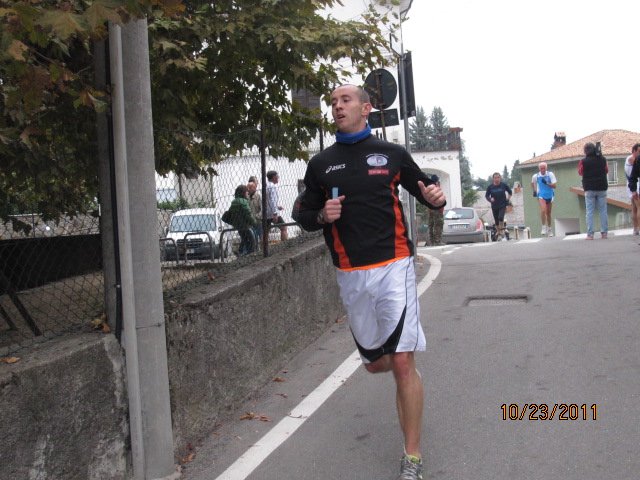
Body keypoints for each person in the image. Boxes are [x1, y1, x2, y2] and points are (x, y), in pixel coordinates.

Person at [293, 84, 446, 480]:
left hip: (395, 265)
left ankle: (412, 457)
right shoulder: (321, 164)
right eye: (333, 102)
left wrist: (435, 198)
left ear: (366, 108)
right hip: (351, 273)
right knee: (376, 364)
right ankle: (392, 364)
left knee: (402, 361)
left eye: (345, 100)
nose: (337, 106)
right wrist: (322, 215)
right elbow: (302, 214)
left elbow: (426, 190)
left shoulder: (392, 154)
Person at [578, 142, 608, 240]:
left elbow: (580, 172)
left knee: (590, 212)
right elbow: (606, 170)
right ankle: (604, 233)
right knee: (603, 210)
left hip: (589, 188)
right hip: (602, 187)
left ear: (585, 151)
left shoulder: (583, 161)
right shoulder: (603, 159)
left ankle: (590, 234)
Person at [226, 184, 256, 255]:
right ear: (243, 193)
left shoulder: (234, 202)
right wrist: (254, 222)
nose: (248, 193)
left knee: (245, 240)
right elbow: (248, 214)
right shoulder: (243, 202)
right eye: (246, 192)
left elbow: (230, 213)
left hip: (238, 226)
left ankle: (241, 252)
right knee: (252, 242)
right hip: (246, 225)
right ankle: (248, 254)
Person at [530, 162, 557, 236]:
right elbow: (532, 183)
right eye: (541, 168)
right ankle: (543, 227)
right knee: (543, 210)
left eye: (544, 168)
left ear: (546, 168)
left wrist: (547, 183)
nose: (542, 170)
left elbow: (555, 186)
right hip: (541, 195)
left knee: (548, 213)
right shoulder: (536, 176)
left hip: (550, 195)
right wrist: (535, 191)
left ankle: (550, 229)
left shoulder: (550, 174)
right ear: (539, 169)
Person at [485, 172, 512, 240]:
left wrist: (508, 199)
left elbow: (510, 192)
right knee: (496, 220)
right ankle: (498, 231)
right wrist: (490, 199)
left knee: (500, 217)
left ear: (500, 178)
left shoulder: (503, 185)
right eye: (495, 178)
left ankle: (501, 231)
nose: (497, 179)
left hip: (502, 204)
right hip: (494, 206)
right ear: (493, 179)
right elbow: (487, 196)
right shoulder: (490, 187)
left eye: (498, 177)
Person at [266, 170, 288, 242]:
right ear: (273, 177)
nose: (278, 177)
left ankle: (264, 247)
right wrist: (275, 213)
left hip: (266, 213)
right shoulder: (272, 186)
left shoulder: (266, 185)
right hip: (273, 213)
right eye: (277, 176)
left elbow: (268, 200)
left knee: (265, 231)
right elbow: (272, 200)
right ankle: (285, 245)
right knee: (284, 227)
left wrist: (277, 206)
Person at [624, 144, 640, 235]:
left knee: (634, 208)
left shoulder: (628, 158)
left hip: (630, 184)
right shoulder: (632, 159)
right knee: (639, 207)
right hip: (635, 184)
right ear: (634, 151)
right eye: (639, 151)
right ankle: (637, 228)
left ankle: (635, 229)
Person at [426, 175, 445, 246]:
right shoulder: (436, 188)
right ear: (436, 181)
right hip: (437, 208)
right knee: (438, 224)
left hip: (430, 208)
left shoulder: (428, 187)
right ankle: (437, 241)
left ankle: (431, 242)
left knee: (431, 224)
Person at [247, 178, 263, 246]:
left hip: (258, 221)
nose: (248, 189)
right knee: (253, 239)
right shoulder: (246, 197)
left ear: (254, 188)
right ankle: (256, 250)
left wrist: (256, 216)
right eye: (247, 188)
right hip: (250, 222)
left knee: (262, 237)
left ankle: (263, 249)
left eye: (250, 188)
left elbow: (262, 209)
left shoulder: (258, 196)